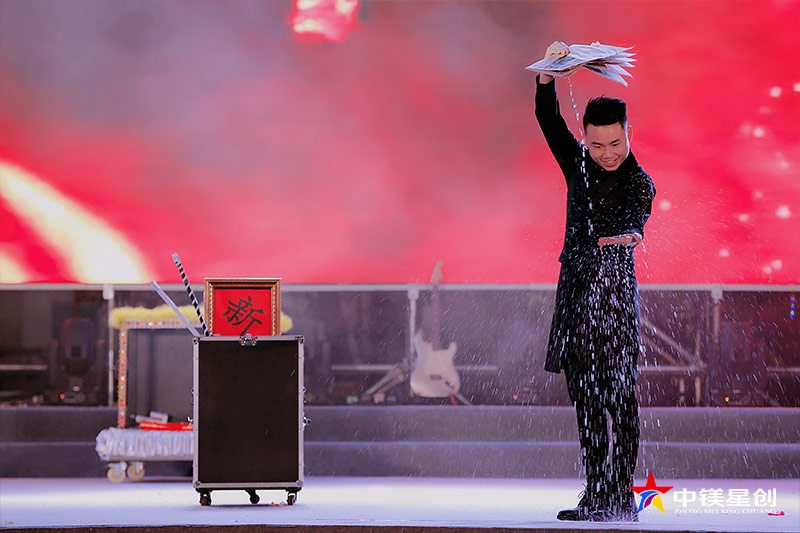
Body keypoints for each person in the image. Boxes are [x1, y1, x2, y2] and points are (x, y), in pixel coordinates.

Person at [534, 41, 655, 522]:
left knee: (619, 398)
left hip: (615, 298)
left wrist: (627, 236)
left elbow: (636, 220)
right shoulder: (578, 164)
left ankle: (620, 493)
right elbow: (549, 121)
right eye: (597, 144)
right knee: (585, 399)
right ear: (586, 139)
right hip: (575, 294)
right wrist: (548, 72)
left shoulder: (639, 181)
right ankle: (595, 493)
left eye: (616, 143)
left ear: (628, 134)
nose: (607, 154)